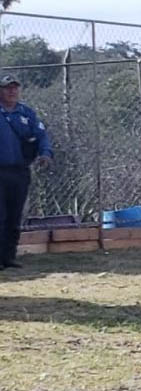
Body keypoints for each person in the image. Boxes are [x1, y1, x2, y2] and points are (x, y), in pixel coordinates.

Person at [0, 74, 52, 268]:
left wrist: (45, 153)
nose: (11, 91)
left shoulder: (26, 113)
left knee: (14, 215)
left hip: (20, 171)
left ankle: (9, 257)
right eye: (7, 88)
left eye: (15, 87)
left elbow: (41, 135)